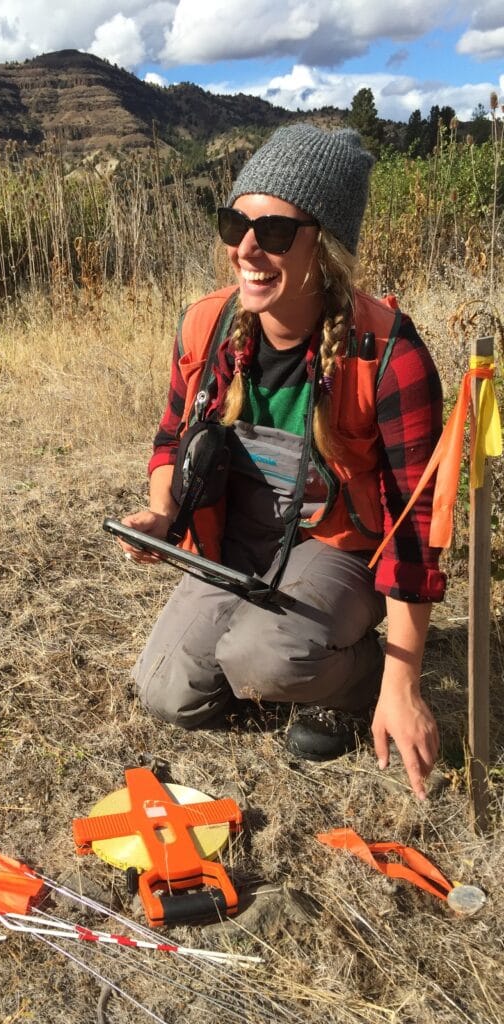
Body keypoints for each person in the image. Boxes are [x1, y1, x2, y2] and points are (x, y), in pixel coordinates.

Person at [119, 124, 446, 801]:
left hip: (337, 550)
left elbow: (417, 534)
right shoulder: (205, 327)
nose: (245, 249)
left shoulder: (389, 356)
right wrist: (161, 512)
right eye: (234, 223)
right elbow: (170, 439)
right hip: (236, 548)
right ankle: (290, 659)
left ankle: (359, 680)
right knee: (166, 695)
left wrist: (404, 684)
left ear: (322, 246)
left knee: (259, 655)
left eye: (271, 232)